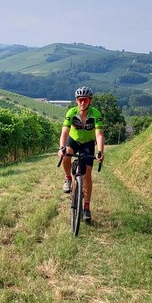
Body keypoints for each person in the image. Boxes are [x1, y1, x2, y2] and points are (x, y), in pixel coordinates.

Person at [58, 86, 105, 221]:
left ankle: (86, 207)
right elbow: (64, 132)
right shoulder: (71, 113)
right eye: (79, 100)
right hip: (73, 140)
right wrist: (61, 147)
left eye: (85, 100)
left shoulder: (96, 114)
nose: (82, 102)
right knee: (66, 153)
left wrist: (101, 151)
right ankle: (68, 178)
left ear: (89, 100)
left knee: (88, 175)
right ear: (76, 101)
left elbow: (99, 135)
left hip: (88, 143)